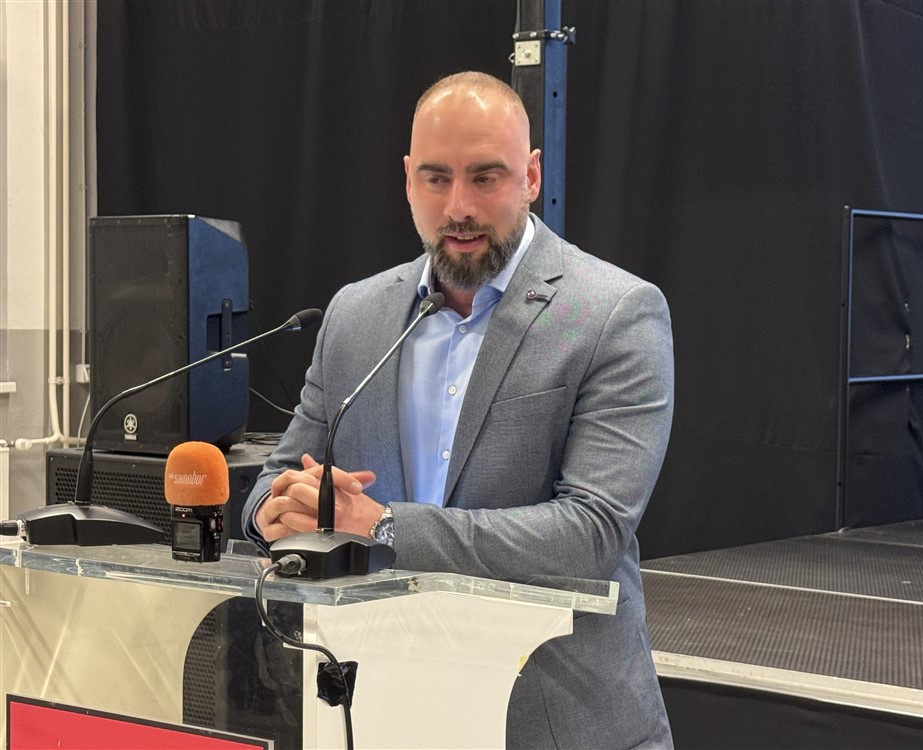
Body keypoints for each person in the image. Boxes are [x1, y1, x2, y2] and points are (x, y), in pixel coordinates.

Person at [244, 71, 675, 749]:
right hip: (383, 712)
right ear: (408, 180)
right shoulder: (357, 315)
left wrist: (383, 528)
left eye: (485, 177)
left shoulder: (612, 314)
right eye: (437, 178)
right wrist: (276, 512)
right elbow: (274, 478)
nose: (459, 207)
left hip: (553, 724)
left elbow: (590, 534)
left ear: (531, 176)